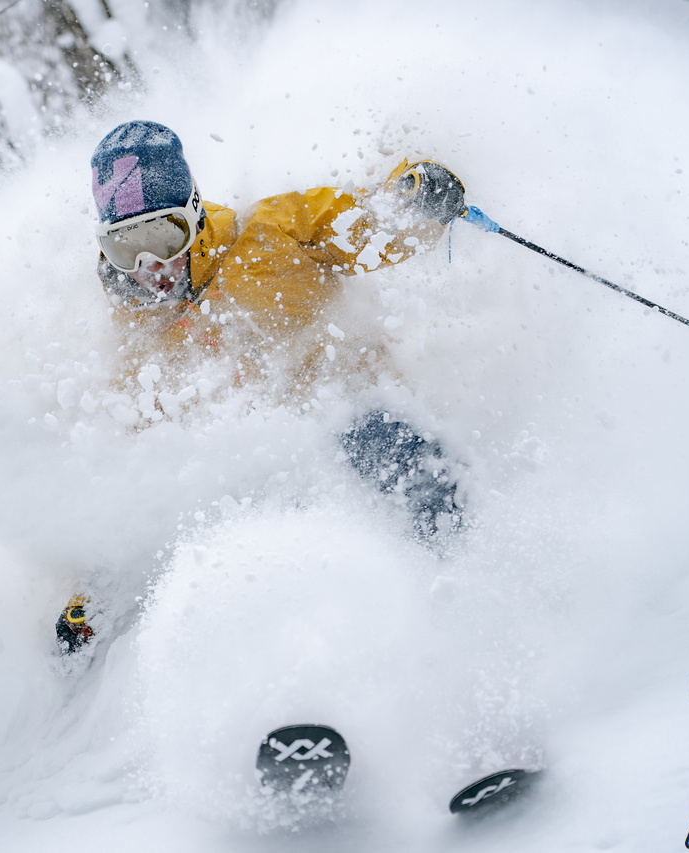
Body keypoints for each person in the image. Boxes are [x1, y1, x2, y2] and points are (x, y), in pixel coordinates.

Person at [58, 120, 467, 654]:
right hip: (251, 478)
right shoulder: (137, 329)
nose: (149, 265)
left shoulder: (271, 230)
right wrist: (99, 586)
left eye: (162, 236)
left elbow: (368, 224)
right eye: (124, 247)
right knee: (206, 511)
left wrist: (413, 198)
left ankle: (462, 600)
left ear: (195, 217)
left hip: (352, 424)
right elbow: (142, 468)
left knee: (371, 442)